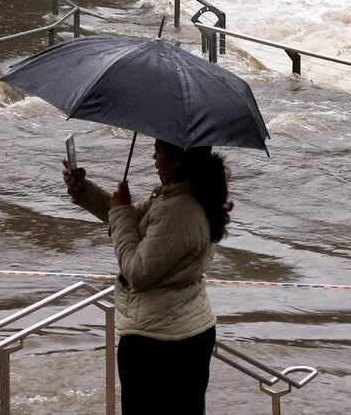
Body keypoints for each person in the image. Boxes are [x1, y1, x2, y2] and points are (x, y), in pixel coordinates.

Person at [63, 140, 232, 414]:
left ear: (178, 160)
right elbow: (127, 218)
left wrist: (120, 211)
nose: (153, 156)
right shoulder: (178, 196)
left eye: (159, 151)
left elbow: (137, 271)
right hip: (181, 330)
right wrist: (84, 190)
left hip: (161, 342)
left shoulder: (178, 211)